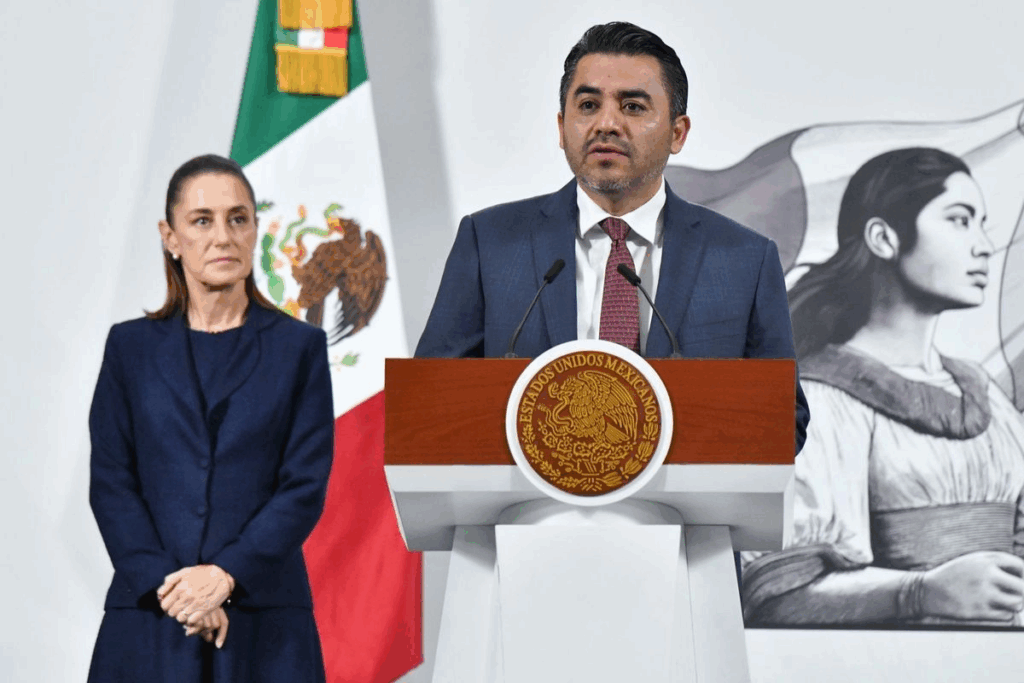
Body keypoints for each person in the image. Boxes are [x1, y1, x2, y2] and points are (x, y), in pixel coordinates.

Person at [415, 21, 809, 450]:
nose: (606, 123)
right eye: (588, 105)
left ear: (677, 133)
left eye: (633, 107)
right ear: (562, 127)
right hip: (526, 495)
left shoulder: (743, 259)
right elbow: (429, 403)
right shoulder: (490, 243)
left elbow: (782, 421)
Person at [741, 147, 1024, 627]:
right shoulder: (820, 399)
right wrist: (920, 592)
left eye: (982, 224)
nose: (983, 246)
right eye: (959, 220)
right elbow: (777, 591)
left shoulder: (987, 396)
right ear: (883, 237)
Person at [87, 154, 334, 680]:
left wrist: (224, 577)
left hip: (265, 624)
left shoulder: (300, 348)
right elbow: (111, 483)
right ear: (170, 237)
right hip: (150, 616)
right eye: (202, 220)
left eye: (237, 218)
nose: (223, 236)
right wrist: (177, 593)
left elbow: (303, 486)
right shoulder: (129, 348)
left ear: (255, 230)